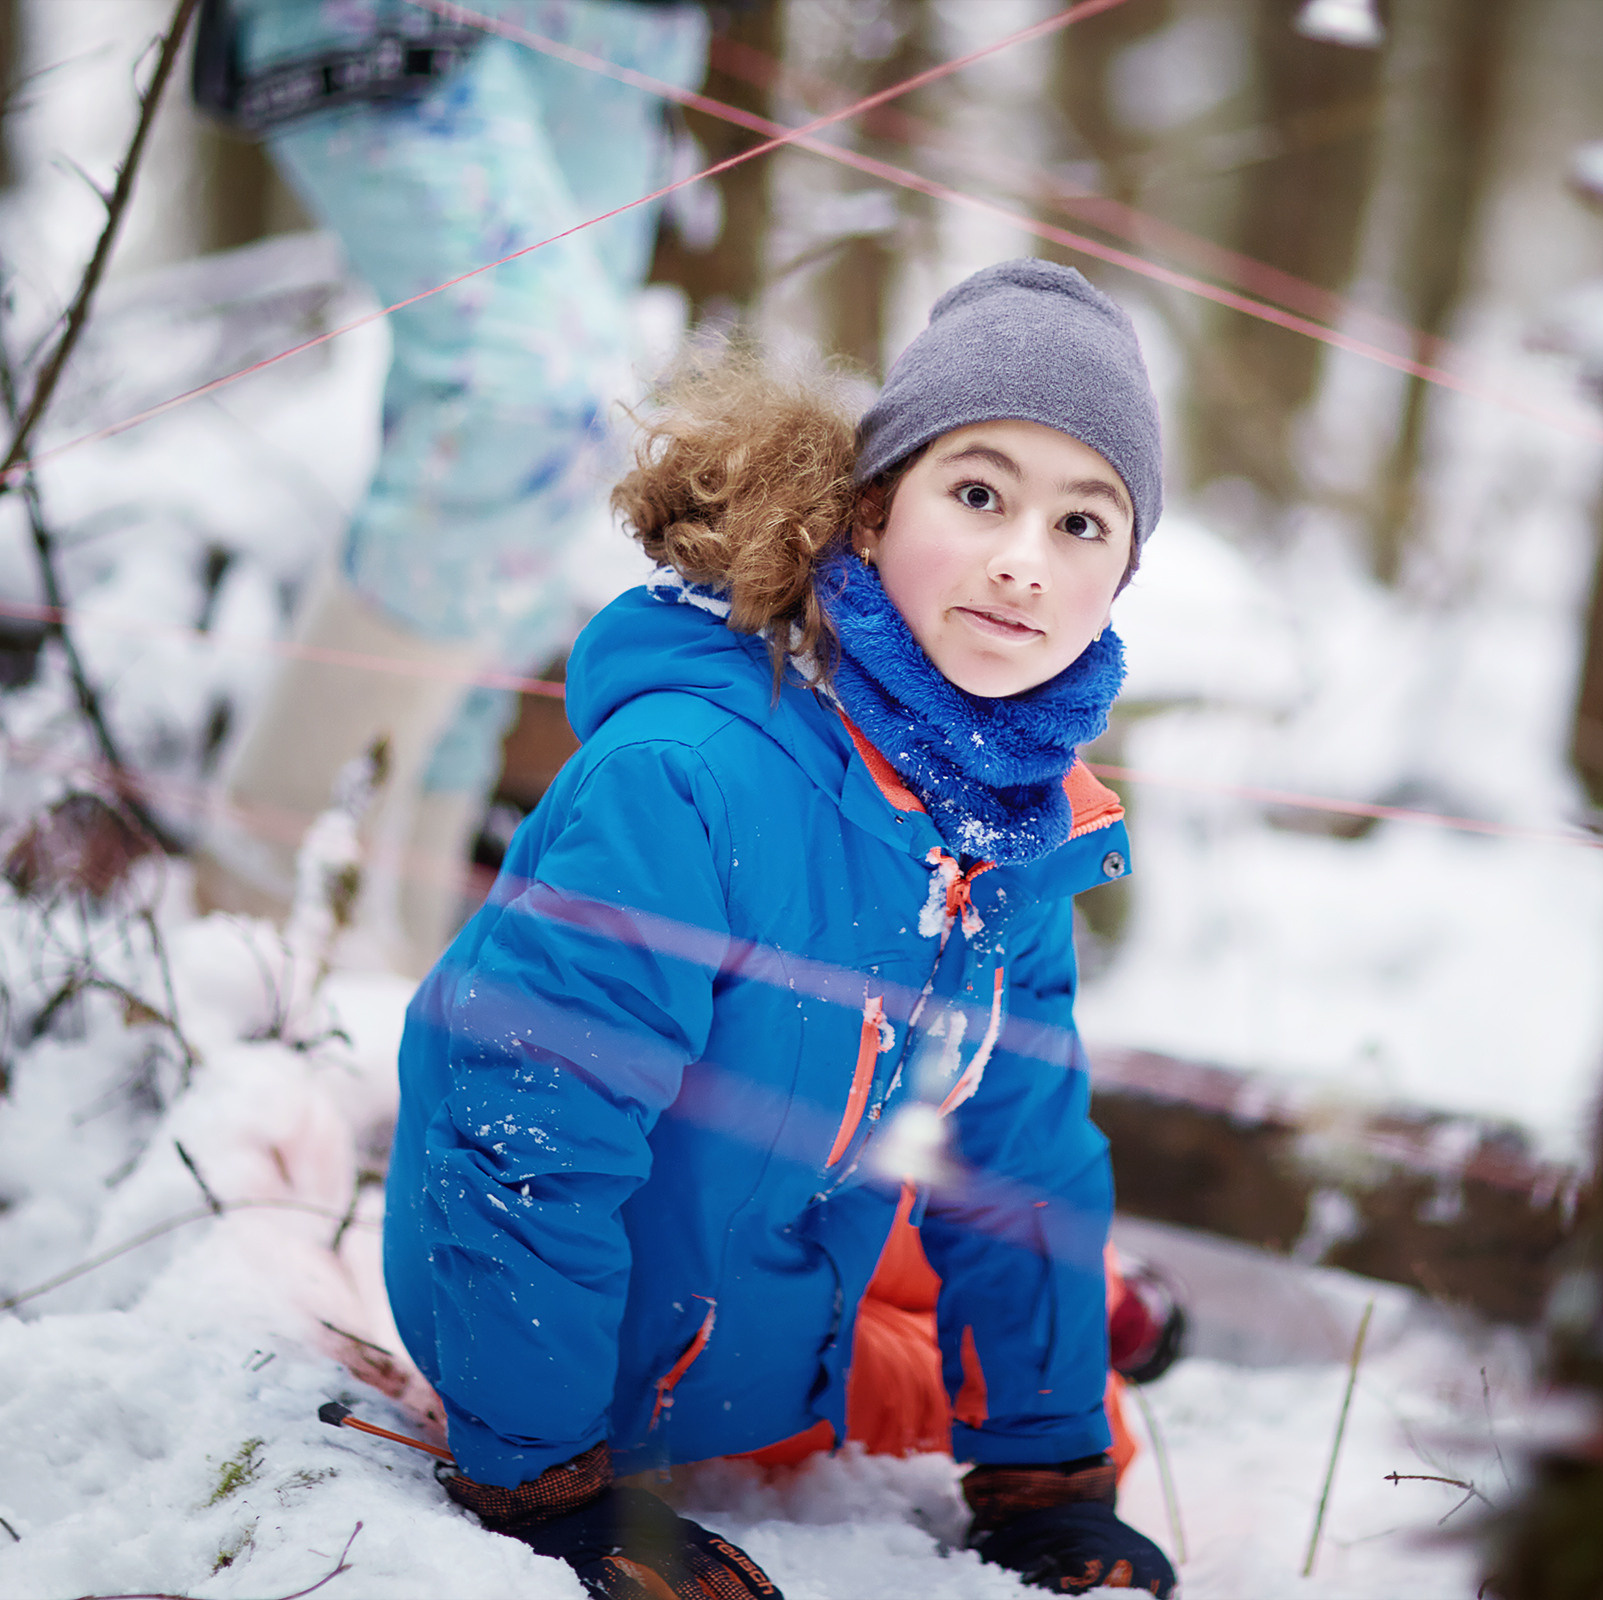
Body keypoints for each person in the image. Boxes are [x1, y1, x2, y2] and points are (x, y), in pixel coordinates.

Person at [383, 260, 1181, 1599]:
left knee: (1034, 1298)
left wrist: (1048, 1478)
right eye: (978, 492)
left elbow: (1020, 1151)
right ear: (871, 513)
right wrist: (540, 1475)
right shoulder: (688, 778)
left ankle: (1110, 1321)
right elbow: (520, 1115)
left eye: (1083, 525)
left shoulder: (1009, 824)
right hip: (607, 1359)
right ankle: (1113, 1319)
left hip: (786, 1262)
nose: (1021, 562)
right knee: (928, 1351)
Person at [191, 0, 712, 970]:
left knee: (546, 488)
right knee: (530, 394)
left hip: (624, 27)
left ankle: (391, 971)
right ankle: (247, 911)